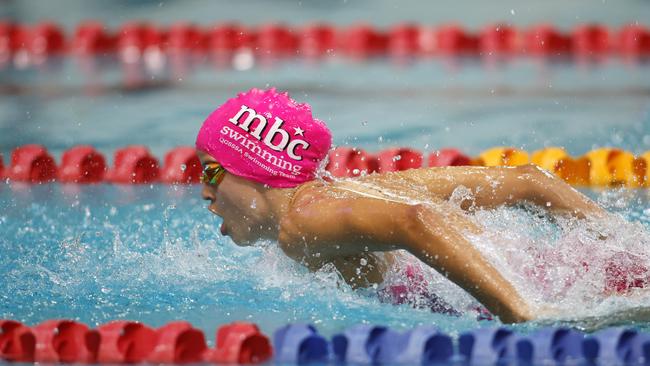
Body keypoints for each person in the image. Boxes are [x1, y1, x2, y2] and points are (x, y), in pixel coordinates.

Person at [196, 88, 608, 323]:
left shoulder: (298, 226)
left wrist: (521, 311)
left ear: (254, 167)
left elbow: (414, 220)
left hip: (557, 293)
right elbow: (530, 182)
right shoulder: (364, 190)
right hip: (572, 272)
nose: (203, 192)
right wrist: (625, 247)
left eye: (212, 172)